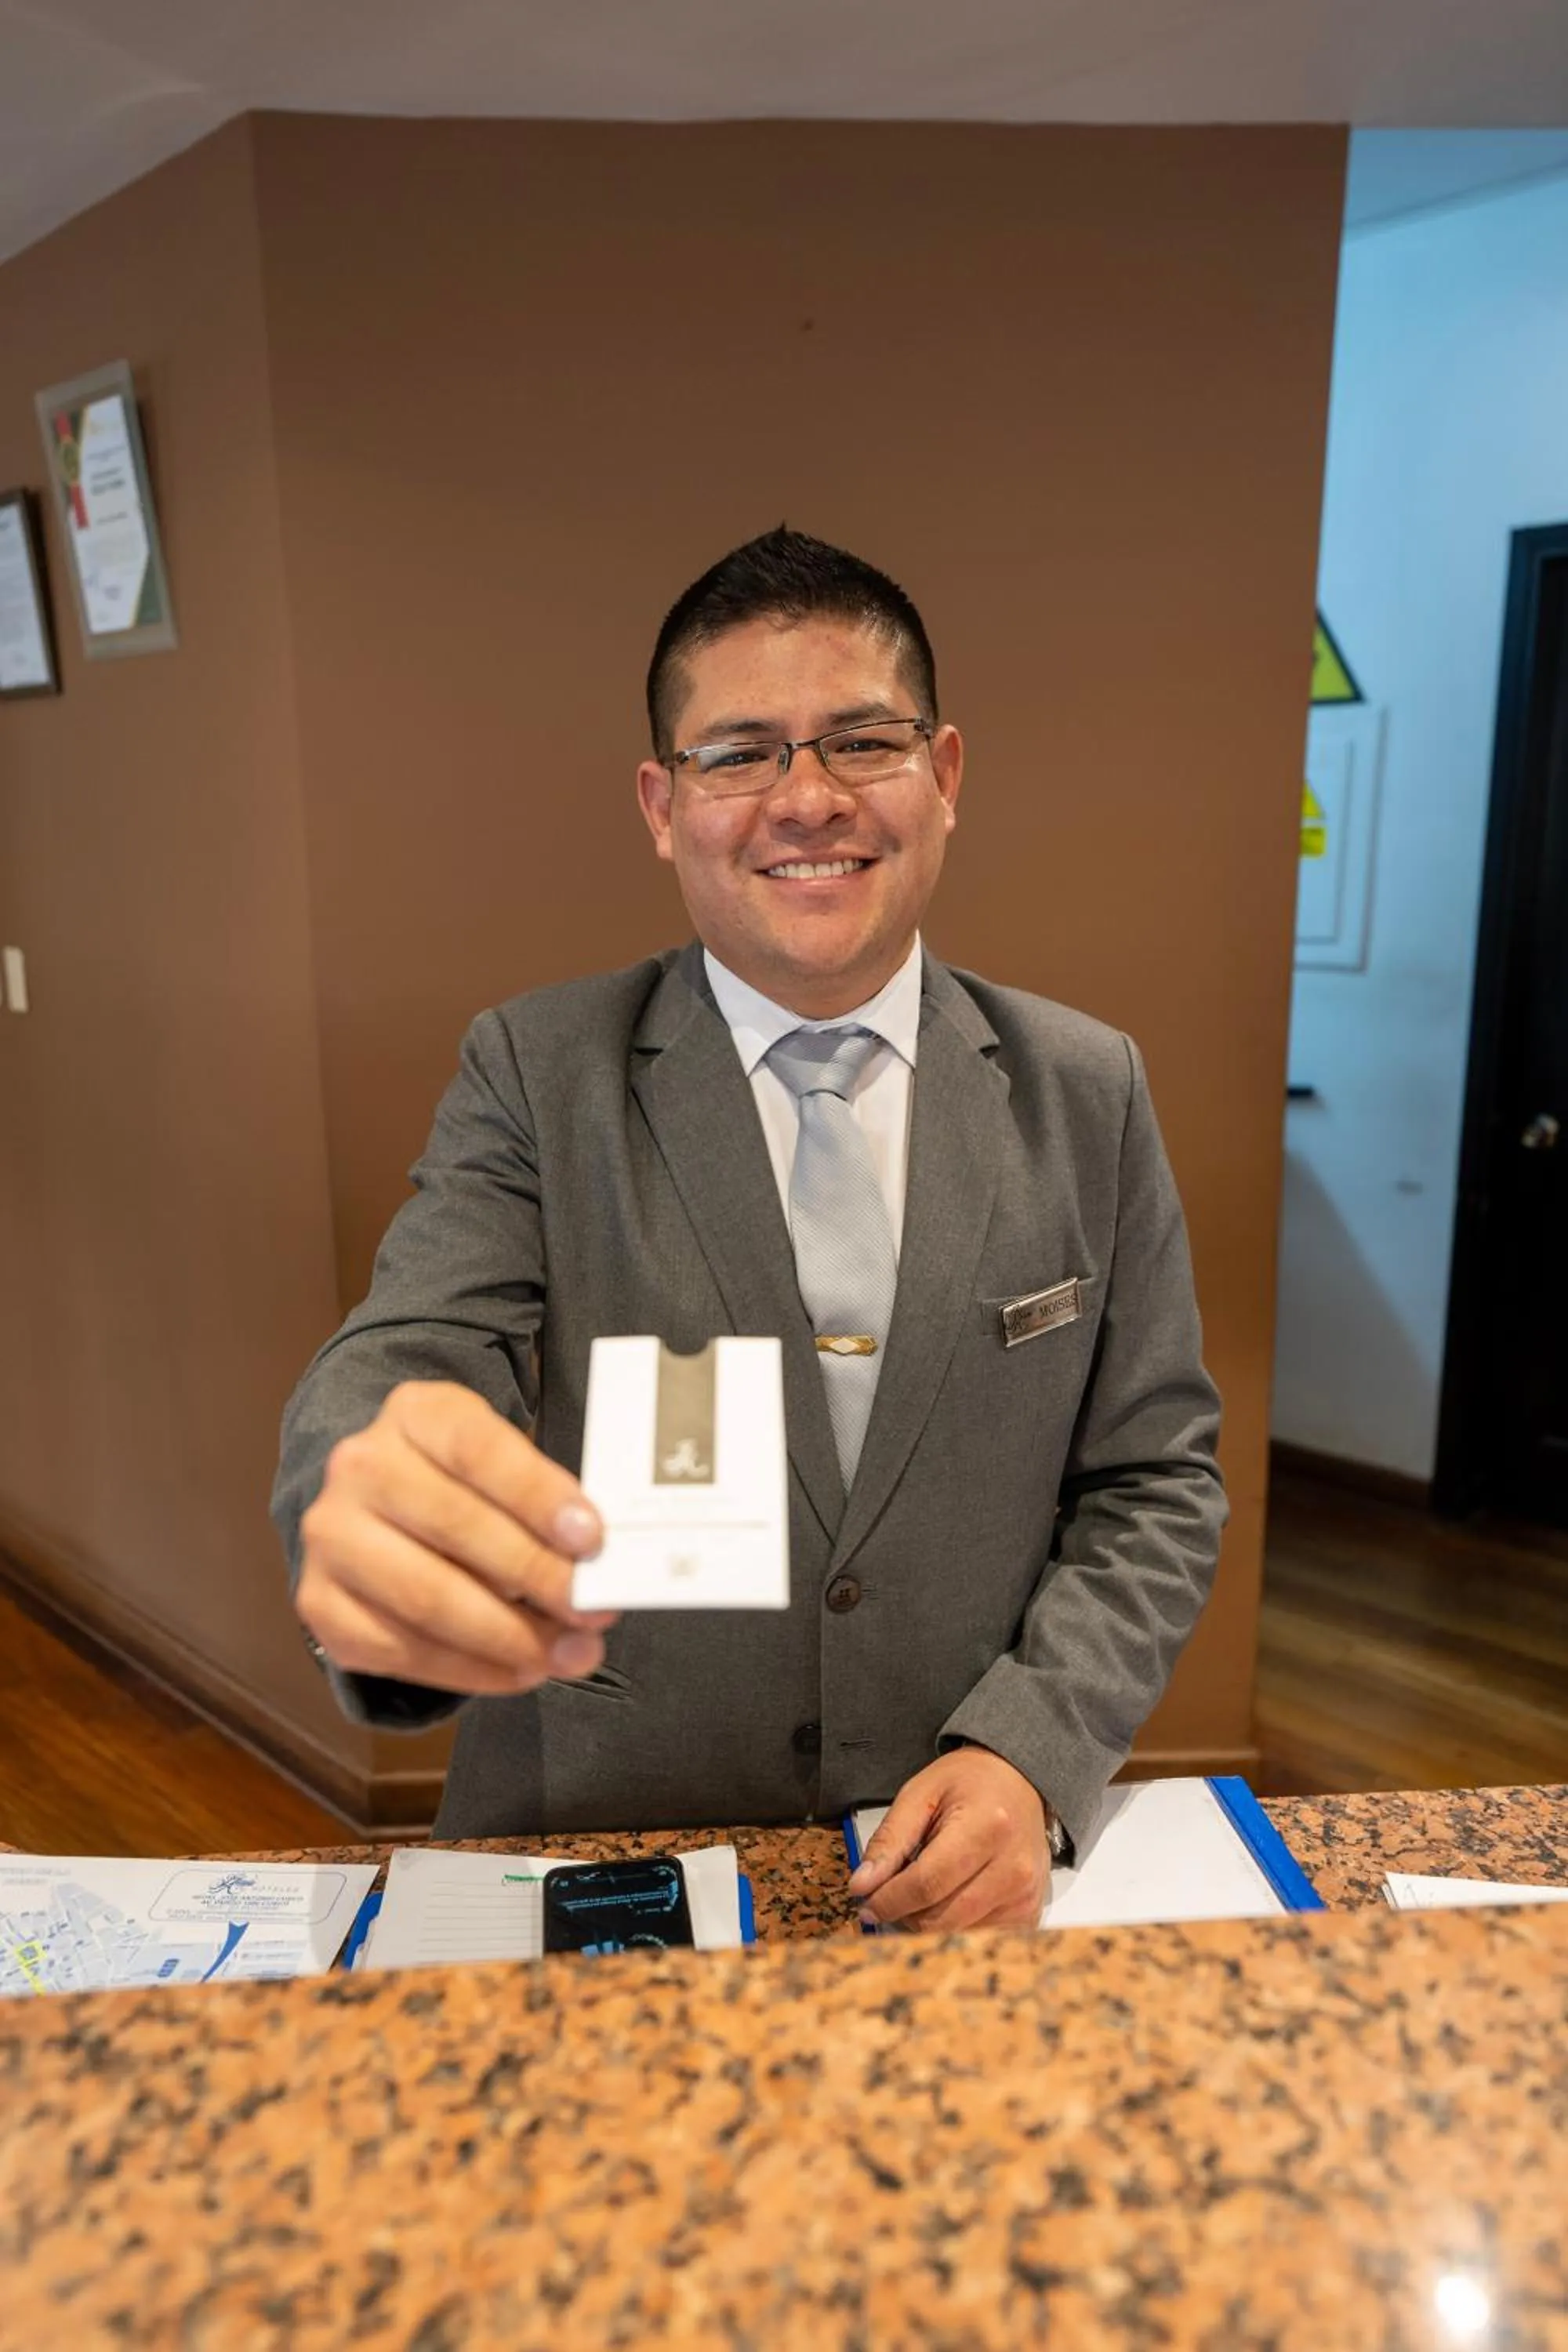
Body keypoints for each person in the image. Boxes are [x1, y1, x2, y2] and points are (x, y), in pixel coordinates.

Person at [273, 527, 1226, 1933]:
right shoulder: (538, 1069)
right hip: (593, 1846)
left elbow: (1157, 1480)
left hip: (952, 1862)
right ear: (663, 804)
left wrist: (1031, 1748)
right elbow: (414, 1347)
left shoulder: (1089, 1088)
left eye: (861, 742)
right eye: (740, 754)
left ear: (944, 777)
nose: (806, 800)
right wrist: (361, 1488)